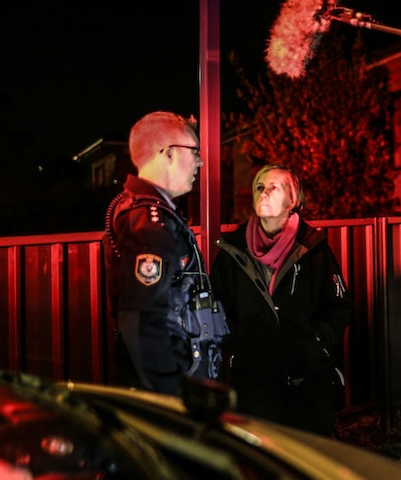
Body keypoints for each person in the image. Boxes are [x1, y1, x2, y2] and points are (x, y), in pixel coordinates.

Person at [210, 164, 353, 436]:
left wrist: (315, 341)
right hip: (253, 387)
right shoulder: (232, 250)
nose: (264, 193)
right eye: (259, 187)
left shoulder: (314, 248)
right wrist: (239, 346)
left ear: (293, 200)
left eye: (274, 187)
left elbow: (339, 306)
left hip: (307, 386)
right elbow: (219, 308)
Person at [103, 111, 227, 395]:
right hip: (170, 388)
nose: (200, 161)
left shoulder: (149, 214)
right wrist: (169, 394)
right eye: (194, 151)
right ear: (168, 153)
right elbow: (141, 319)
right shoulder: (149, 223)